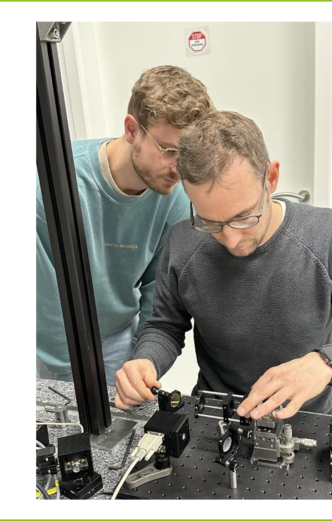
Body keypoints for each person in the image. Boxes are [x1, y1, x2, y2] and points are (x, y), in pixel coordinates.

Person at [113, 111, 332, 420]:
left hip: (304, 421)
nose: (231, 239)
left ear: (272, 178)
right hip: (214, 416)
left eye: (243, 217)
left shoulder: (328, 234)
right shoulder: (183, 240)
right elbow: (166, 326)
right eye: (210, 222)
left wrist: (326, 363)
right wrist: (146, 360)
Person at [35, 65, 215, 387]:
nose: (179, 168)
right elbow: (45, 297)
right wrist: (68, 374)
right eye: (169, 151)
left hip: (116, 336)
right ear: (132, 129)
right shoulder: (52, 180)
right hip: (47, 346)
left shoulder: (175, 196)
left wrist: (138, 361)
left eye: (188, 154)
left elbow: (156, 292)